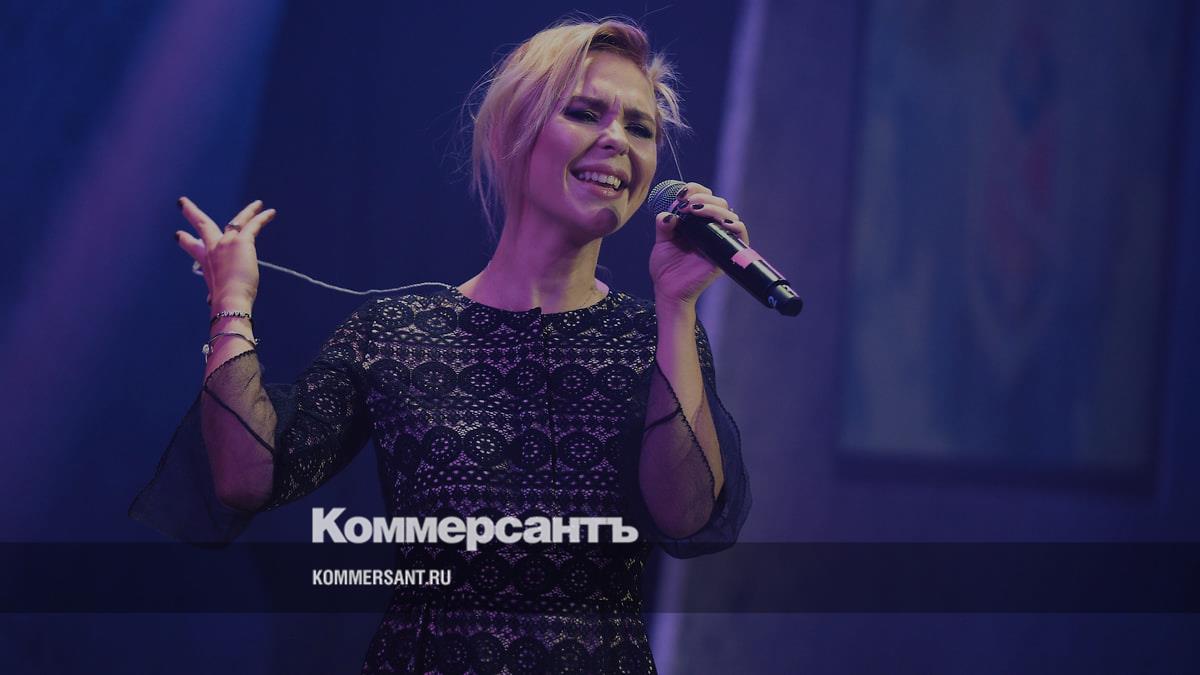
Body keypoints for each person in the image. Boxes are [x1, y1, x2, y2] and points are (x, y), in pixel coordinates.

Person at [132, 16, 750, 674]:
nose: (617, 140)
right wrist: (231, 303)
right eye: (584, 112)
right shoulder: (396, 334)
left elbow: (684, 515)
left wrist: (677, 306)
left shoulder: (652, 337)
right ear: (514, 132)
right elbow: (244, 477)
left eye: (640, 127)